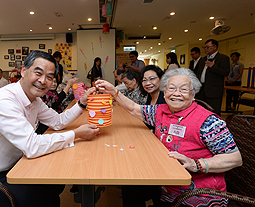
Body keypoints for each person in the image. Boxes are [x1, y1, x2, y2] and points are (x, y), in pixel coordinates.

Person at [0, 50, 99, 207]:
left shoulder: (34, 100)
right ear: (23, 71)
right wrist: (75, 134)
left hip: (12, 168)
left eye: (49, 77)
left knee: (54, 185)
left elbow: (58, 121)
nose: (43, 81)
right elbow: (32, 145)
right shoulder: (4, 101)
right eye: (38, 73)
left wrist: (82, 103)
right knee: (43, 198)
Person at [95, 68, 242, 207]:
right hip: (165, 181)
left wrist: (195, 164)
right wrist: (114, 91)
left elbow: (235, 158)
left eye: (183, 89)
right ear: (164, 93)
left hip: (197, 192)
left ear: (193, 94)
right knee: (131, 188)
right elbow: (134, 108)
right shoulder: (161, 110)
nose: (176, 93)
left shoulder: (208, 122)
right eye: (171, 89)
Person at [197, 39, 230, 116]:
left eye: (208, 47)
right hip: (202, 90)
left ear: (215, 47)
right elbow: (199, 73)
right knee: (200, 112)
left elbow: (225, 72)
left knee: (214, 112)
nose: (205, 49)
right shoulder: (203, 59)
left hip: (214, 91)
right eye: (204, 47)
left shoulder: (223, 58)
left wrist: (213, 66)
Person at [139, 65, 165, 133]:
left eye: (152, 78)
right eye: (144, 80)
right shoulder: (149, 96)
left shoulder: (166, 98)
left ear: (161, 79)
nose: (147, 83)